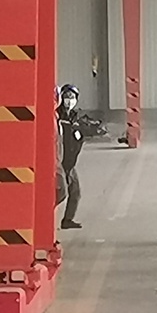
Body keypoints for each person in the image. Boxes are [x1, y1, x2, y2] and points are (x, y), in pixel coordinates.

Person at [57, 84, 85, 229]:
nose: (69, 100)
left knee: (75, 192)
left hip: (70, 162)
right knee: (60, 192)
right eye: (67, 97)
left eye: (72, 97)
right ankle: (43, 218)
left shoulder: (74, 117)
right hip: (59, 162)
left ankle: (67, 220)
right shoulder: (58, 116)